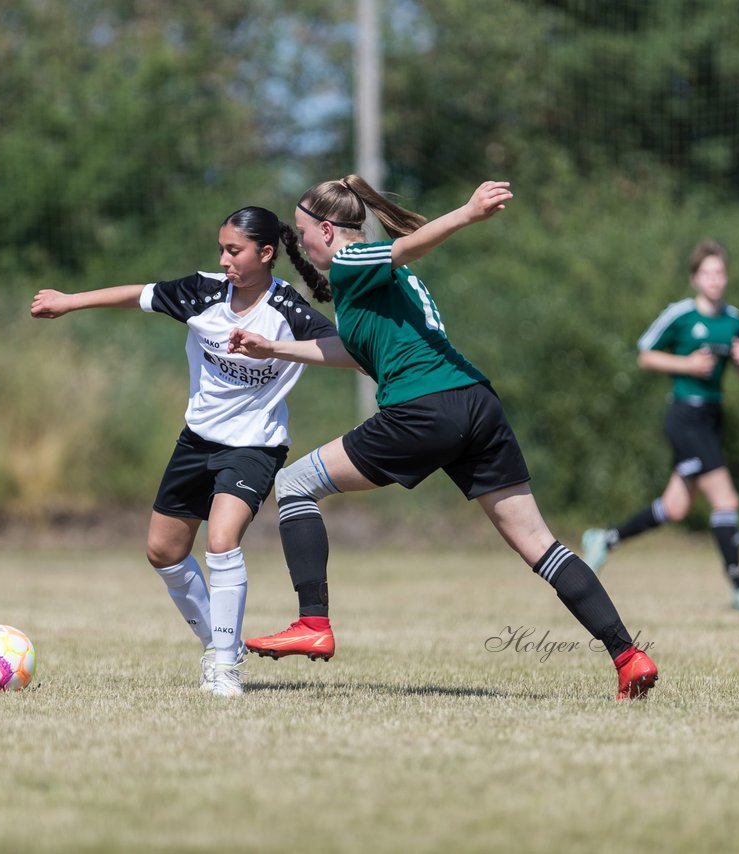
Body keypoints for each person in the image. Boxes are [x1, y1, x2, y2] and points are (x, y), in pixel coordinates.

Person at [228, 176, 658, 700]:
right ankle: (628, 656)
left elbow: (408, 244)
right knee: (539, 545)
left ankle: (313, 623)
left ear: (326, 229)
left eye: (301, 232)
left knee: (295, 484)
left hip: (424, 409)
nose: (301, 243)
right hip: (476, 404)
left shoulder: (351, 260)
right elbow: (357, 354)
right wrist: (274, 348)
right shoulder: (371, 286)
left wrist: (466, 213)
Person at [28, 207, 353, 698]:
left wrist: (274, 350)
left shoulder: (287, 309)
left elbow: (346, 350)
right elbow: (138, 295)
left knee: (221, 541)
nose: (224, 260)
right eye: (221, 249)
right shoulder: (203, 292)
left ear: (265, 254)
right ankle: (219, 643)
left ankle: (224, 670)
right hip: (196, 441)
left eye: (234, 251)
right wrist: (70, 301)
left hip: (254, 446)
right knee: (163, 551)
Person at [581, 240, 739, 611]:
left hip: (712, 417)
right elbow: (645, 355)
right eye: (707, 273)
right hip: (685, 416)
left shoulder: (733, 319)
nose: (714, 279)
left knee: (673, 508)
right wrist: (687, 365)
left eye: (720, 272)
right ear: (694, 278)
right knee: (726, 499)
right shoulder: (682, 315)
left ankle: (604, 539)